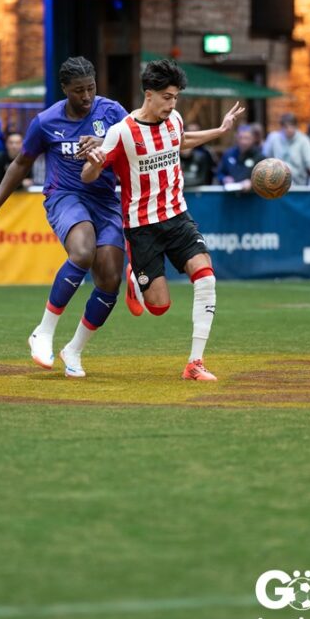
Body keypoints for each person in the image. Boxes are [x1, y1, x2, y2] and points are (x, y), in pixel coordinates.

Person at [82, 59, 244, 382]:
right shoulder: (122, 132)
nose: (172, 104)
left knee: (206, 278)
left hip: (178, 216)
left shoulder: (175, 120)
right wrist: (95, 163)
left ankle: (195, 363)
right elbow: (88, 176)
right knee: (158, 306)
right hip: (142, 226)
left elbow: (182, 140)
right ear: (149, 94)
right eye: (167, 97)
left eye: (176, 98)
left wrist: (221, 130)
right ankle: (134, 278)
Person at [0, 57, 128, 379]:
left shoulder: (112, 112)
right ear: (64, 89)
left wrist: (105, 143)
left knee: (110, 279)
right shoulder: (45, 122)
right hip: (65, 195)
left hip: (105, 200)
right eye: (78, 90)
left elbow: (136, 145)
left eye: (91, 88)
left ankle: (74, 350)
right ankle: (43, 331)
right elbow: (21, 163)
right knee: (82, 252)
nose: (86, 96)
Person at [263, 113, 310, 191]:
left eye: (292, 126)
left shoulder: (304, 140)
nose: (289, 129)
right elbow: (265, 161)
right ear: (281, 127)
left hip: (298, 185)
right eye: (286, 127)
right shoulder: (273, 138)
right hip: (276, 184)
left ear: (296, 126)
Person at [215, 123, 263, 189]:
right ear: (236, 138)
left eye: (247, 138)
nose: (243, 142)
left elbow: (264, 179)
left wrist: (252, 183)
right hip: (230, 192)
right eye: (241, 137)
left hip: (251, 193)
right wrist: (224, 179)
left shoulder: (260, 157)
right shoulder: (228, 154)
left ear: (253, 139)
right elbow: (219, 173)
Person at [180, 121, 215, 187]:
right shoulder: (176, 155)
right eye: (190, 132)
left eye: (196, 132)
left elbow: (208, 174)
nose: (194, 134)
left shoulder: (205, 153)